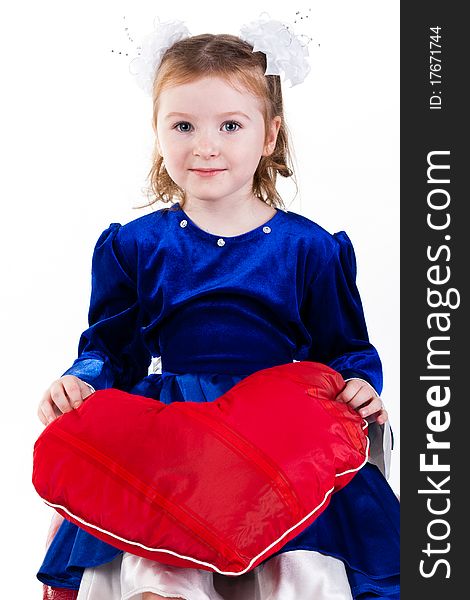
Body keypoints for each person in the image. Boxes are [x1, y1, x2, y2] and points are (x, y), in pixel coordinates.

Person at [36, 17, 399, 600]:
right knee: (160, 548)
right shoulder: (136, 246)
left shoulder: (308, 248)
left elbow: (345, 348)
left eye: (230, 125)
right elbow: (113, 349)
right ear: (157, 132)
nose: (205, 146)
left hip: (279, 425)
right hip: (176, 423)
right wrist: (82, 379)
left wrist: (359, 381)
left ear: (270, 135)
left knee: (301, 560)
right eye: (183, 125)